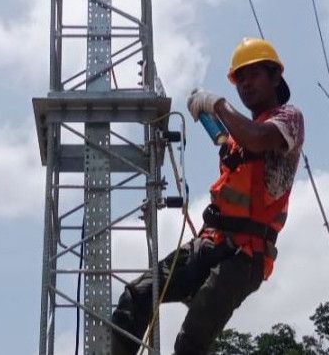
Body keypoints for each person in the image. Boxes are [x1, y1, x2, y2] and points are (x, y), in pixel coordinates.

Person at [111, 38, 305, 355]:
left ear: (275, 77)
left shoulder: (288, 119)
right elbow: (238, 143)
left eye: (253, 74)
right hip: (211, 243)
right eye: (240, 78)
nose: (245, 84)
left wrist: (215, 104)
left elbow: (257, 140)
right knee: (136, 297)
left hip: (246, 255)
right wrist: (205, 112)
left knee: (190, 343)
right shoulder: (236, 137)